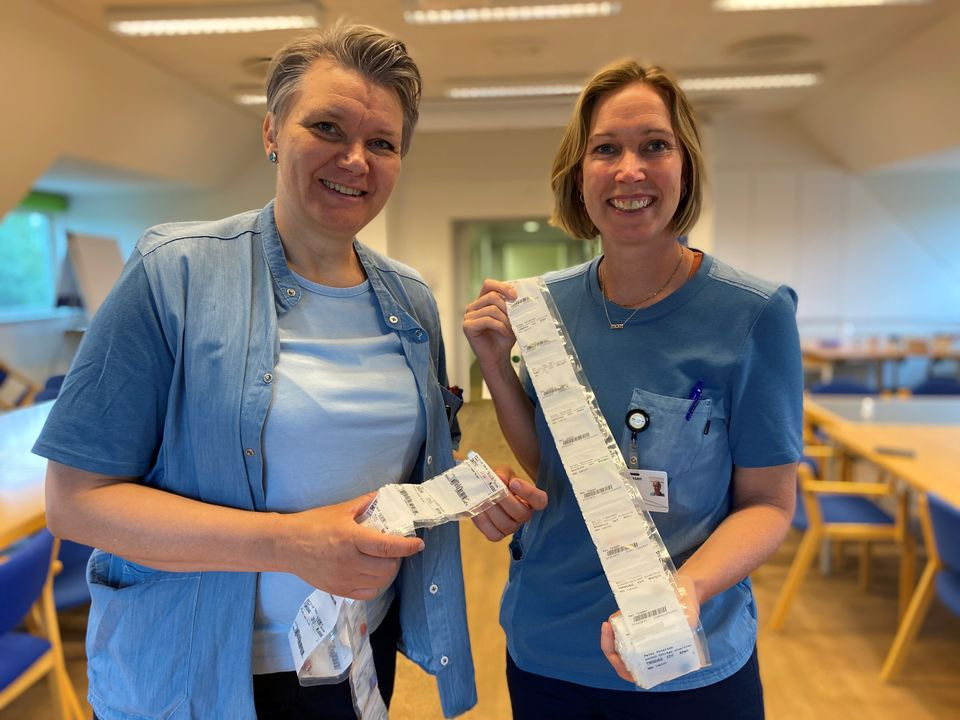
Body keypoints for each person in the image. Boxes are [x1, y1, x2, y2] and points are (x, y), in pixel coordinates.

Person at [33, 22, 538, 720]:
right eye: (326, 127)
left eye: (382, 143)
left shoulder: (411, 301)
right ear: (272, 131)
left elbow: (399, 468)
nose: (355, 160)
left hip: (354, 653)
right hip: (194, 674)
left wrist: (466, 490)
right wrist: (290, 543)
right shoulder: (172, 274)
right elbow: (75, 501)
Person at [463, 60, 802, 719]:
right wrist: (497, 369)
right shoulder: (544, 308)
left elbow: (767, 504)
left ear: (686, 167)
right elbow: (555, 469)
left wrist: (685, 591)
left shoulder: (754, 315)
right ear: (579, 173)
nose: (629, 171)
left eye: (654, 146)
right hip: (549, 648)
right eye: (605, 149)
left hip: (687, 659)